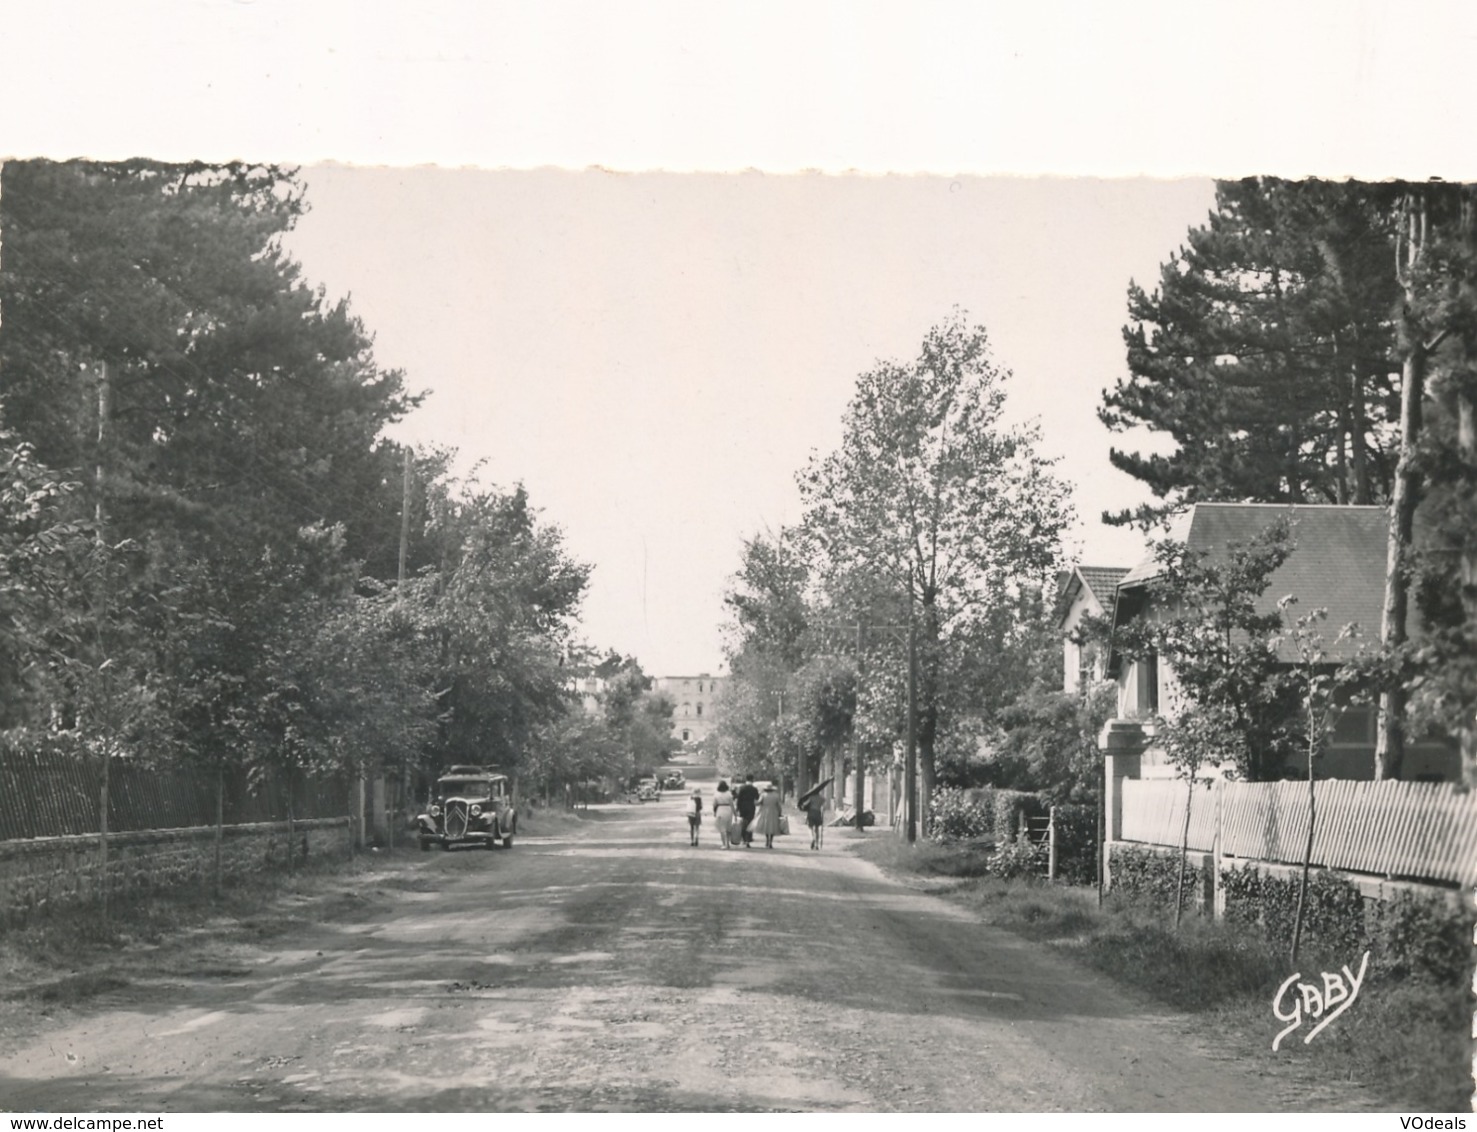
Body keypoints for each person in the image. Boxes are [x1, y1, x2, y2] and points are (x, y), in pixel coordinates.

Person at [753, 781, 784, 849]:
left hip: (765, 811)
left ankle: (767, 840)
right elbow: (778, 805)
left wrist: (754, 802)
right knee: (773, 826)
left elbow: (759, 802)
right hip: (774, 811)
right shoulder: (776, 795)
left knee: (767, 826)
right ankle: (771, 842)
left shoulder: (763, 795)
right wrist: (780, 812)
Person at [735, 774, 761, 848]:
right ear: (752, 780)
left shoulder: (742, 788)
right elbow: (757, 797)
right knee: (750, 823)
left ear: (746, 779)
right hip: (750, 807)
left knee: (743, 823)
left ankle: (743, 838)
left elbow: (738, 798)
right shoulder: (754, 788)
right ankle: (748, 839)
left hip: (742, 806)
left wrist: (737, 808)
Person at [712, 781, 737, 849]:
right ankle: (728, 843)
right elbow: (732, 804)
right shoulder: (729, 794)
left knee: (722, 828)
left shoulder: (716, 794)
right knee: (728, 828)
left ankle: (724, 844)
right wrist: (735, 814)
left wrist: (714, 812)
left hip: (720, 809)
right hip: (728, 810)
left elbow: (714, 804)